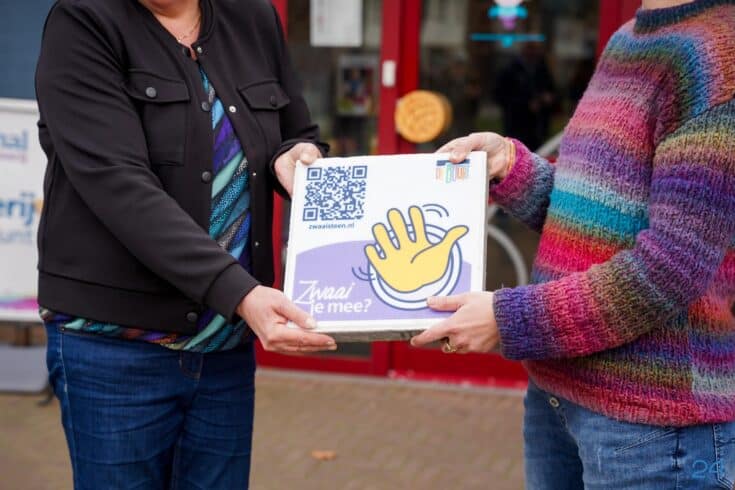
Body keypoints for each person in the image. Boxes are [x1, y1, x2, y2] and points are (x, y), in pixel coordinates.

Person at [412, 0, 735, 488]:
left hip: (651, 425)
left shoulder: (717, 56)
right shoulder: (629, 38)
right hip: (557, 398)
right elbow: (592, 217)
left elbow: (670, 269)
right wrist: (510, 166)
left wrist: (509, 319)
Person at [35, 0, 336, 487]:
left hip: (223, 349)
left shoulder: (252, 17)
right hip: (116, 350)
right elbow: (117, 183)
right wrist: (241, 294)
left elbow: (296, 134)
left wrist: (294, 156)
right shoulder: (84, 20)